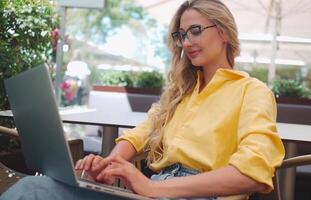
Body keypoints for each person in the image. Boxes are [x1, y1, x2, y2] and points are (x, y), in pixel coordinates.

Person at [0, 0, 285, 199]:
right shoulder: (180, 93)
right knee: (36, 189)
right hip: (150, 191)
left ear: (223, 31)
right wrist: (110, 164)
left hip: (193, 195)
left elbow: (252, 175)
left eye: (196, 31)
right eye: (181, 35)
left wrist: (151, 187)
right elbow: (140, 135)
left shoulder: (252, 91)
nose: (186, 43)